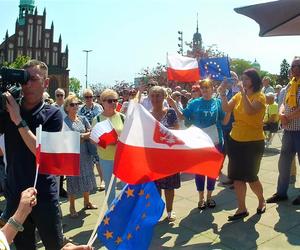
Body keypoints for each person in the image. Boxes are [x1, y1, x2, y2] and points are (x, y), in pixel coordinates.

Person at [0, 59, 64, 249]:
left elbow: (45, 154)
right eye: (24, 79)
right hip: (16, 195)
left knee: (54, 245)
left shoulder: (53, 114)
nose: (26, 84)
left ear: (46, 83)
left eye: (33, 79)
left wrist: (19, 121)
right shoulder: (9, 107)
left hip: (43, 193)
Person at [169, 80, 226, 210]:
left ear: (213, 88)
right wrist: (174, 105)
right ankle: (201, 198)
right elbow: (183, 117)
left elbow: (224, 119)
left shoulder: (217, 103)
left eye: (207, 87)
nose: (205, 90)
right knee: (200, 171)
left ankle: (209, 197)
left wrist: (229, 106)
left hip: (215, 141)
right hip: (199, 142)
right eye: (203, 88)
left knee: (212, 171)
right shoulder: (194, 103)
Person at [219, 68, 266, 221]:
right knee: (237, 177)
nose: (243, 81)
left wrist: (243, 93)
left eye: (246, 79)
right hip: (236, 141)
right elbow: (226, 109)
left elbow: (250, 111)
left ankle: (261, 200)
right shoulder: (239, 95)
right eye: (242, 78)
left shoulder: (260, 97)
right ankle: (242, 208)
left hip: (253, 142)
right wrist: (222, 93)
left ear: (254, 80)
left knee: (251, 177)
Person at [267, 57, 300, 205]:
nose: (294, 68)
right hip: (288, 131)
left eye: (297, 65)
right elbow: (282, 104)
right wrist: (281, 114)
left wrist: (287, 117)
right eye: (293, 66)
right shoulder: (289, 85)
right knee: (284, 164)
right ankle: (281, 193)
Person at [150, 86, 180, 222]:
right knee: (155, 188)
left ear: (164, 97)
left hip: (169, 156)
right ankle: (156, 213)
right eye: (153, 95)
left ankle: (169, 211)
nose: (155, 99)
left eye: (158, 95)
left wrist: (161, 131)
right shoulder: (147, 115)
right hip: (153, 157)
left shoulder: (171, 112)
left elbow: (177, 130)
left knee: (169, 187)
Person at [63, 95, 97, 217]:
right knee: (73, 181)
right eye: (72, 104)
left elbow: (91, 132)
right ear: (66, 107)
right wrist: (83, 136)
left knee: (87, 176)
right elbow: (69, 138)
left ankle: (87, 202)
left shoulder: (82, 119)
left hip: (86, 153)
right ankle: (72, 207)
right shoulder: (64, 122)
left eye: (77, 104)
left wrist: (83, 136)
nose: (75, 106)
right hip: (72, 155)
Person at [92, 89, 125, 205]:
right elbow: (94, 139)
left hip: (122, 157)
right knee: (110, 187)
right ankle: (112, 213)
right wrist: (107, 142)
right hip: (106, 158)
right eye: (110, 101)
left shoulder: (122, 117)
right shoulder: (97, 119)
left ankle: (124, 209)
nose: (114, 103)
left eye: (116, 100)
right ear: (103, 102)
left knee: (126, 187)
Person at [78, 89, 105, 191]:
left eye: (90, 97)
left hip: (97, 136)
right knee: (89, 161)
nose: (89, 99)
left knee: (98, 159)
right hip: (86, 137)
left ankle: (102, 180)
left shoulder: (98, 107)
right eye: (86, 97)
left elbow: (102, 119)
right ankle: (90, 183)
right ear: (83, 98)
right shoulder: (80, 109)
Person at [53, 88, 68, 198]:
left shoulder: (66, 108)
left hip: (65, 138)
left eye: (61, 95)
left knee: (63, 165)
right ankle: (55, 187)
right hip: (55, 139)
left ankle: (61, 187)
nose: (59, 97)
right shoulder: (51, 107)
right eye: (57, 95)